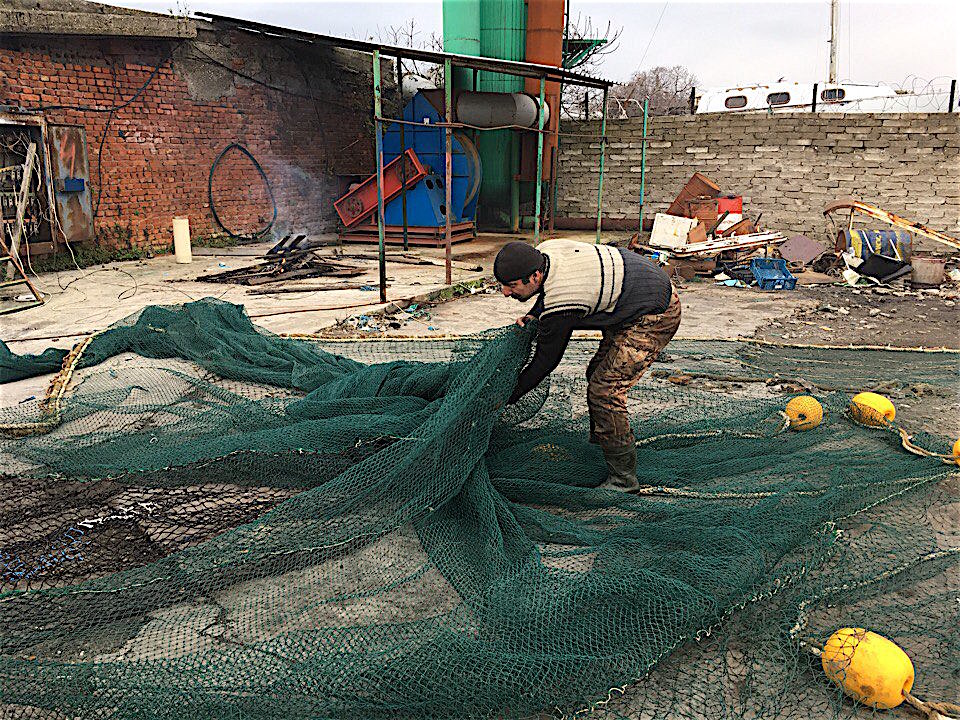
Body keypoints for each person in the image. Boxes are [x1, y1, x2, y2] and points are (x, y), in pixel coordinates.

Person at [494, 239, 681, 492]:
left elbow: (545, 361)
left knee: (605, 390)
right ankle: (602, 441)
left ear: (535, 275)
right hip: (631, 294)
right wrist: (536, 315)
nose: (505, 293)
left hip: (654, 312)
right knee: (596, 372)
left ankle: (623, 480)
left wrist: (508, 395)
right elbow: (549, 294)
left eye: (512, 286)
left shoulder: (565, 299)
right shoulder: (546, 251)